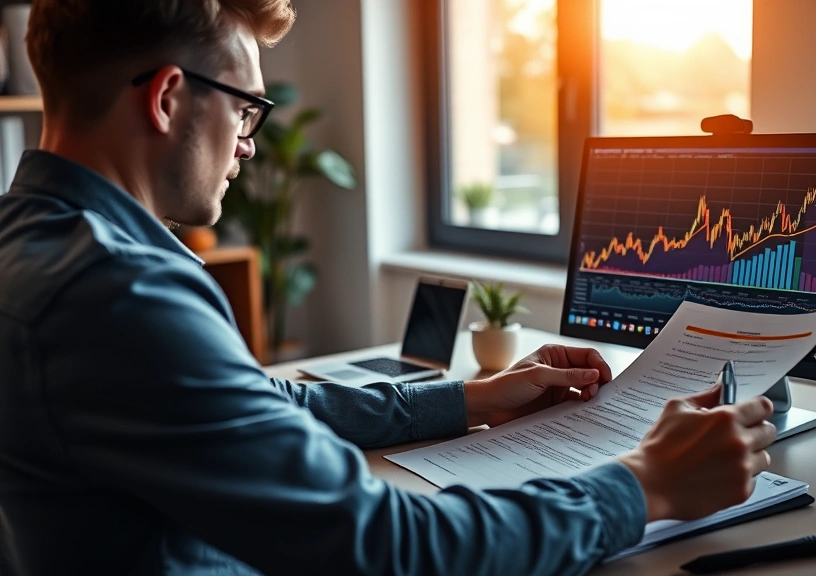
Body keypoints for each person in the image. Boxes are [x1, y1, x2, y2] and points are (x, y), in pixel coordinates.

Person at [0, 2, 776, 575]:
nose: (247, 142)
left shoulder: (35, 240)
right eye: (246, 107)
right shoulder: (118, 295)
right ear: (169, 98)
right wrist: (642, 486)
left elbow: (254, 404)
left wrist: (468, 400)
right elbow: (384, 545)